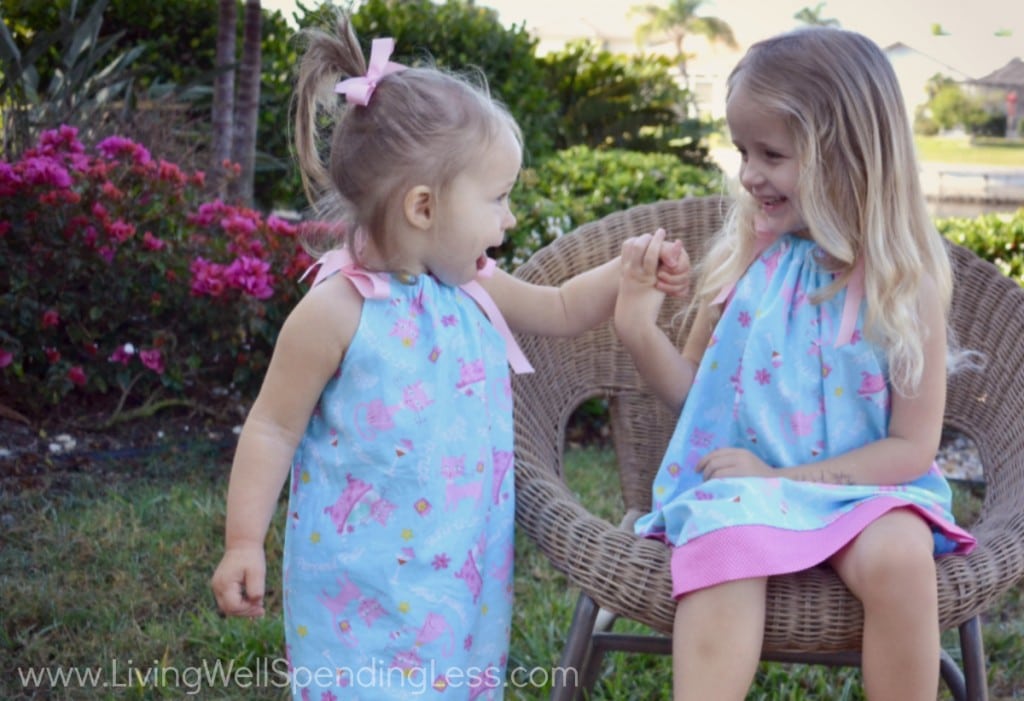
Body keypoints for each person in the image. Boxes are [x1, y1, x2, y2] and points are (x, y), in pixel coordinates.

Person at [209, 13, 685, 701]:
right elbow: (272, 428)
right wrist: (243, 540)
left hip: (460, 579)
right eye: (496, 199)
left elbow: (560, 310)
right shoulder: (337, 310)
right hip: (358, 587)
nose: (509, 219)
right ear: (424, 207)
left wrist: (628, 269)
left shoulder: (471, 286)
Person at [614, 27, 977, 701]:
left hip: (866, 496)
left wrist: (786, 476)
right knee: (726, 537)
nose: (749, 173)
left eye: (772, 153)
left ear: (847, 156)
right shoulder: (747, 257)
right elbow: (695, 395)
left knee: (901, 554)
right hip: (745, 492)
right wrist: (638, 331)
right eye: (742, 150)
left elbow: (912, 445)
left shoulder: (902, 282)